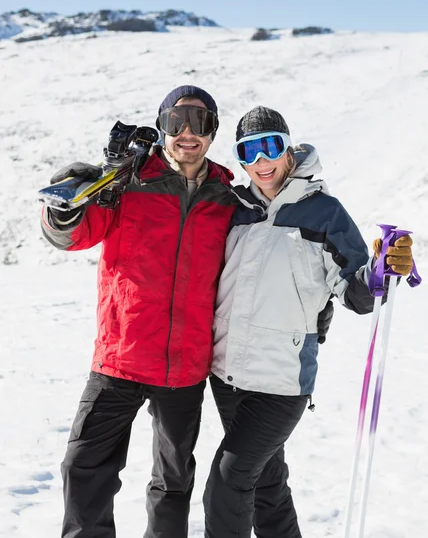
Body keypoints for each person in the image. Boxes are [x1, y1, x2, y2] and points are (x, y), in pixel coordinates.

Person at [203, 106, 414, 538]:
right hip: (226, 376)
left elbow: (357, 291)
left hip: (281, 384)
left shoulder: (324, 213)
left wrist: (380, 270)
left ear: (288, 149)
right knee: (267, 484)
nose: (261, 162)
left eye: (270, 147)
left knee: (227, 484)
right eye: (249, 152)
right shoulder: (236, 208)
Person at [41, 85, 238, 538]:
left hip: (184, 367)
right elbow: (73, 235)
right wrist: (66, 205)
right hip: (120, 357)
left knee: (172, 481)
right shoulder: (127, 183)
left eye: (200, 122)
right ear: (161, 126)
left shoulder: (228, 199)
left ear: (213, 132)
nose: (187, 133)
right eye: (175, 122)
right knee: (84, 468)